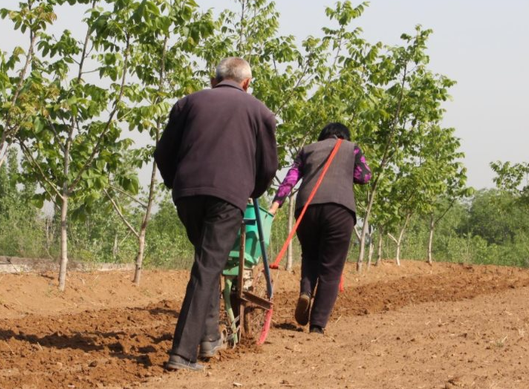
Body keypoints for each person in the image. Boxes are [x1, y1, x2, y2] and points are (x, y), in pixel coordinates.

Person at [154, 57, 278, 371]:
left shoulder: (187, 103)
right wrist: (252, 191)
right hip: (227, 196)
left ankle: (209, 337)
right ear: (247, 84)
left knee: (206, 262)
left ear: (214, 79)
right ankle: (182, 354)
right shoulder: (260, 112)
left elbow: (163, 152)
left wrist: (177, 183)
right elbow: (268, 167)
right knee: (207, 267)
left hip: (187, 194)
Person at [268, 122, 371, 334]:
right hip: (339, 209)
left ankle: (306, 291)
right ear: (344, 136)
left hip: (306, 208)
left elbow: (291, 179)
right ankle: (317, 325)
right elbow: (364, 176)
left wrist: (275, 205)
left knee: (310, 255)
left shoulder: (307, 150)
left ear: (322, 136)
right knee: (331, 269)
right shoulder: (352, 148)